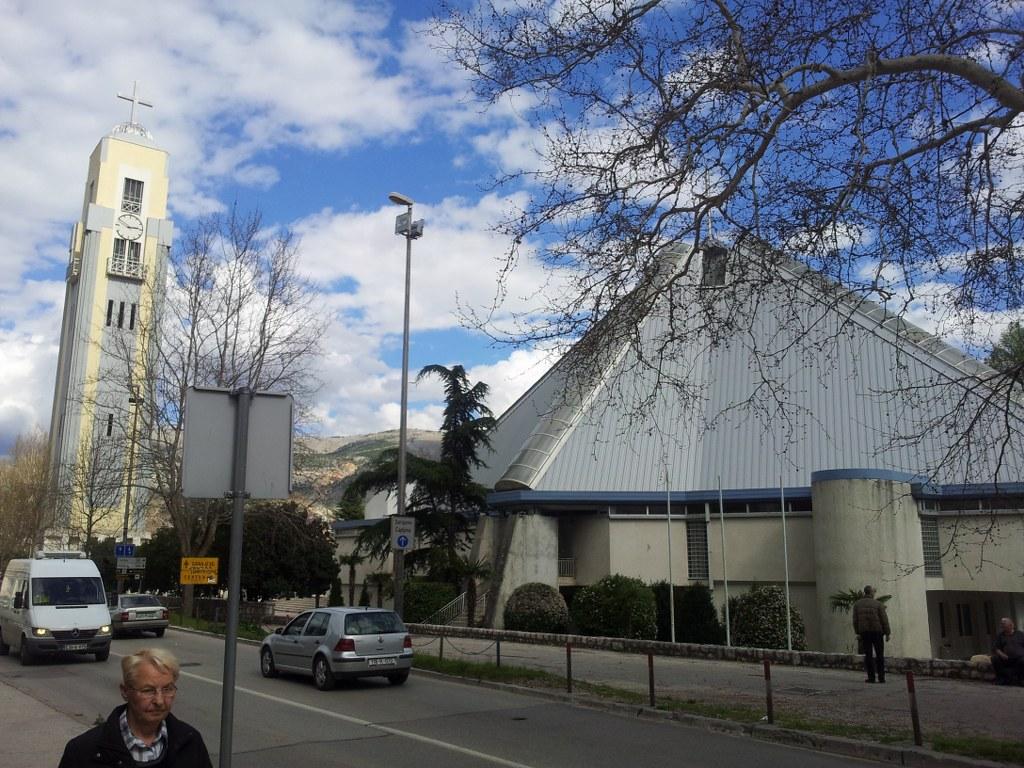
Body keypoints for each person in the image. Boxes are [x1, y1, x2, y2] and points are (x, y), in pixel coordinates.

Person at [58, 648, 213, 767]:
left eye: (168, 689)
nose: (159, 701)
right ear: (125, 692)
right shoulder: (83, 752)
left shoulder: (190, 742)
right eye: (148, 691)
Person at [852, 585, 891, 684]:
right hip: (877, 632)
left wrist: (858, 632)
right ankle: (881, 677)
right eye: (874, 591)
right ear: (871, 593)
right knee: (879, 655)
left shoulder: (857, 604)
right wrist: (887, 633)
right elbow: (884, 620)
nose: (874, 593)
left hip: (865, 632)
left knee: (868, 655)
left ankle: (871, 678)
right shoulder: (878, 604)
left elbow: (855, 620)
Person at [990, 617, 1024, 685]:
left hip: (1019, 658)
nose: (1002, 626)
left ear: (1011, 625)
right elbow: (996, 647)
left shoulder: (1020, 634)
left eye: (1004, 624)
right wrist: (1001, 654)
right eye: (1002, 625)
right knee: (994, 658)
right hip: (1006, 658)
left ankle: (1021, 680)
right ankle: (1001, 679)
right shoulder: (1000, 636)